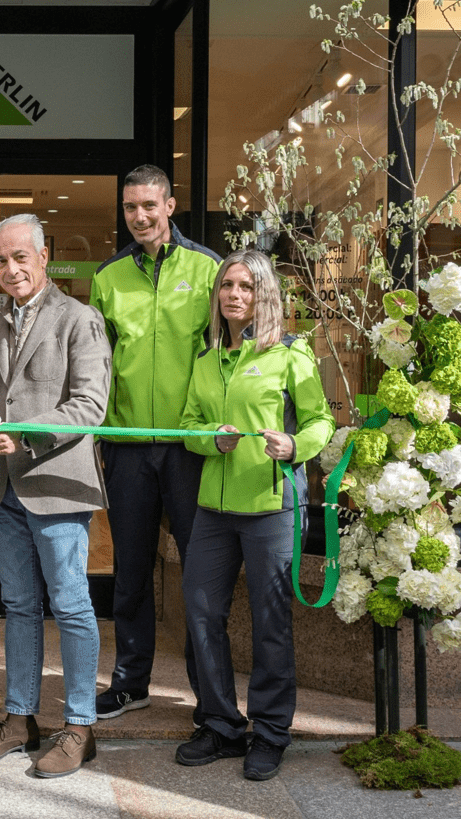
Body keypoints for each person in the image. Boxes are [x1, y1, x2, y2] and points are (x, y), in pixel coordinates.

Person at [0, 214, 111, 779]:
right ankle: (20, 719)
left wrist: (22, 434)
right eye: (1, 260)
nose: (11, 269)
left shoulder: (80, 318)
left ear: (44, 257)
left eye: (20, 257)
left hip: (57, 486)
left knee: (71, 605)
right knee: (20, 606)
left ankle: (80, 727)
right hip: (1, 488)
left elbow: (90, 406)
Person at [175, 248, 334, 781]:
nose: (234, 295)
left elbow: (320, 422)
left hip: (271, 508)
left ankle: (269, 733)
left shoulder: (291, 354)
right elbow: (189, 424)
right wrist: (208, 438)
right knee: (201, 612)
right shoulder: (205, 358)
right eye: (227, 285)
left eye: (246, 286)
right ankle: (220, 725)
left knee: (270, 624)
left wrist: (294, 445)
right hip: (213, 510)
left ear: (264, 295)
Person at [89, 164, 221, 721]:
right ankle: (130, 682)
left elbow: (224, 352)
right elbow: (96, 366)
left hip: (190, 447)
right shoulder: (108, 277)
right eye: (130, 207)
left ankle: (208, 695)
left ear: (170, 205)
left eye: (149, 205)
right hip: (126, 446)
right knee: (132, 572)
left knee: (200, 572)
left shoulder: (209, 269)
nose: (139, 216)